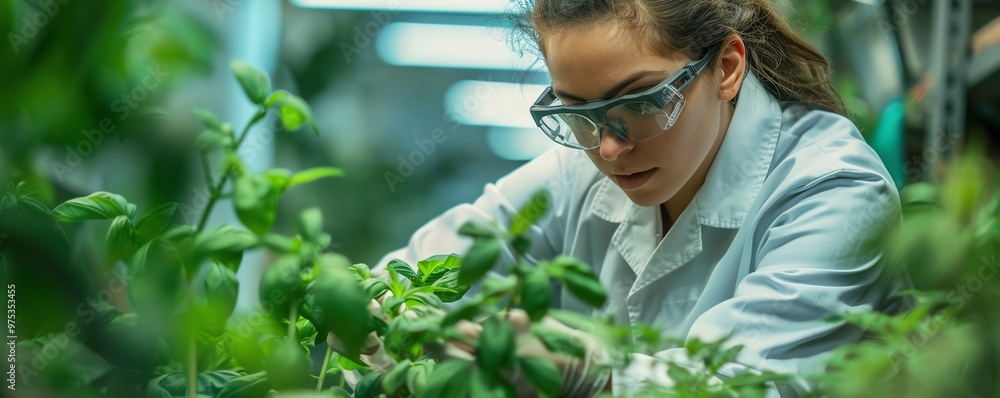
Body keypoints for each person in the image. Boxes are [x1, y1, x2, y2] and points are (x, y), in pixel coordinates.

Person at [330, 0, 912, 396]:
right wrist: (378, 313)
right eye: (577, 112)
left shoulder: (830, 189)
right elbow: (418, 270)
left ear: (728, 66)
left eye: (638, 102)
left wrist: (598, 378)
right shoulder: (573, 173)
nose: (607, 148)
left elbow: (746, 383)